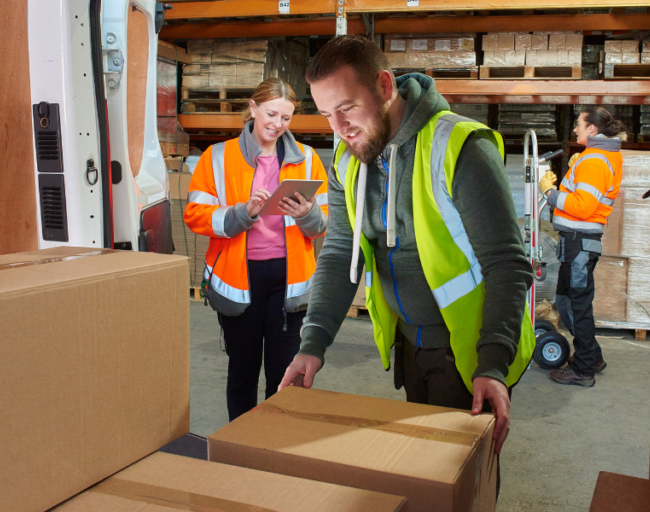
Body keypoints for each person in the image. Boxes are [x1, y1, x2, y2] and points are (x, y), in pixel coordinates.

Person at [278, 35, 535, 456]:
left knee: (462, 478)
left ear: (383, 87)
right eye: (326, 115)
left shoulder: (461, 146)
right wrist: (313, 343)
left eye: (346, 109)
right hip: (409, 347)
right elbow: (342, 251)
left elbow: (507, 263)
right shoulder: (348, 159)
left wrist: (492, 363)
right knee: (422, 467)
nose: (338, 129)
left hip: (469, 352)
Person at [183, 78, 328, 421]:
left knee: (284, 374)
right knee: (242, 371)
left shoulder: (306, 159)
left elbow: (322, 225)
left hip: (289, 283)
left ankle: (275, 443)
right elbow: (195, 215)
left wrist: (306, 214)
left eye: (286, 118)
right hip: (239, 280)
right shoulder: (217, 157)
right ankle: (240, 440)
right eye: (271, 114)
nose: (278, 124)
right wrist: (241, 213)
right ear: (252, 108)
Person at [538, 107, 626, 387]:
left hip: (579, 242)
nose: (575, 129)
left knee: (577, 305)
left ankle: (585, 370)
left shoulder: (595, 160)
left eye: (579, 124)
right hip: (575, 243)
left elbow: (583, 207)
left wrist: (549, 193)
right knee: (566, 302)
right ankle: (593, 357)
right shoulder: (598, 156)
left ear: (592, 130)